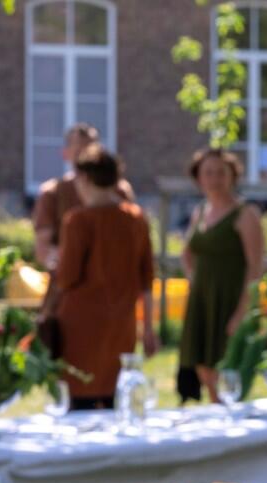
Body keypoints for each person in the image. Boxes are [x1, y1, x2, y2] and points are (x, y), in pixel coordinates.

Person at [57, 147, 156, 409]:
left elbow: (67, 277)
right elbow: (147, 278)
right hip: (121, 326)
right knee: (116, 401)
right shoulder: (136, 218)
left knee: (79, 405)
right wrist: (148, 329)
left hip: (79, 329)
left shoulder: (78, 221)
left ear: (85, 178)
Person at [179, 148, 263, 402]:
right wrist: (195, 280)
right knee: (201, 363)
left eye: (220, 172)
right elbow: (187, 253)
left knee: (226, 365)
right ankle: (215, 410)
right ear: (199, 178)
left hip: (231, 298)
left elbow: (255, 267)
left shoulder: (245, 214)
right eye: (208, 173)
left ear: (232, 175)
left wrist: (242, 311)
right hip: (203, 299)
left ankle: (227, 412)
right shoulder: (200, 212)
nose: (214, 178)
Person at [31, 123, 135, 271]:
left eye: (91, 150)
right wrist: (69, 265)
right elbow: (43, 247)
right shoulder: (53, 193)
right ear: (66, 153)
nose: (87, 158)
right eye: (80, 151)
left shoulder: (121, 191)